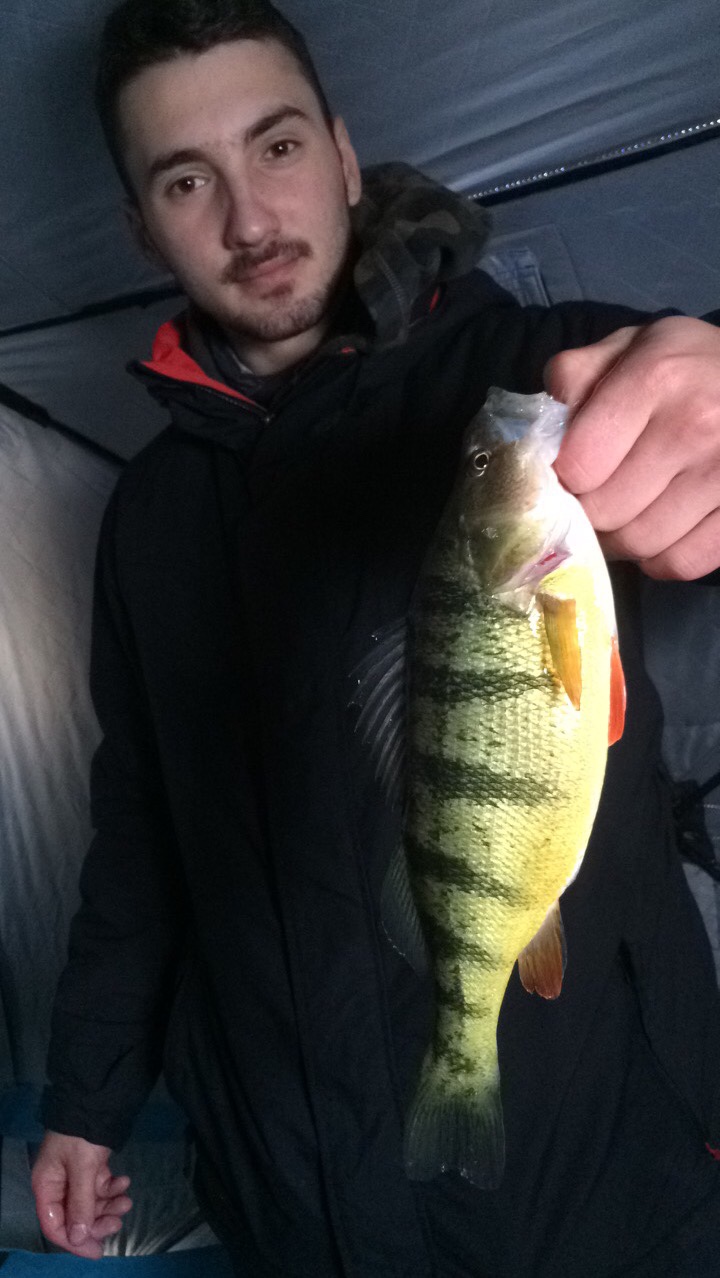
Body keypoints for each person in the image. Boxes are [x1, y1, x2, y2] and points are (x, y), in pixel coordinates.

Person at [31, 1, 720, 1274]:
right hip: (286, 1191)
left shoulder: (540, 385)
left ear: (346, 156)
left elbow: (688, 418)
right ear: (141, 225)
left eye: (277, 147)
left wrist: (706, 397)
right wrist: (87, 1097)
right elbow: (141, 833)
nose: (247, 218)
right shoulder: (149, 519)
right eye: (189, 180)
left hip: (596, 1182)